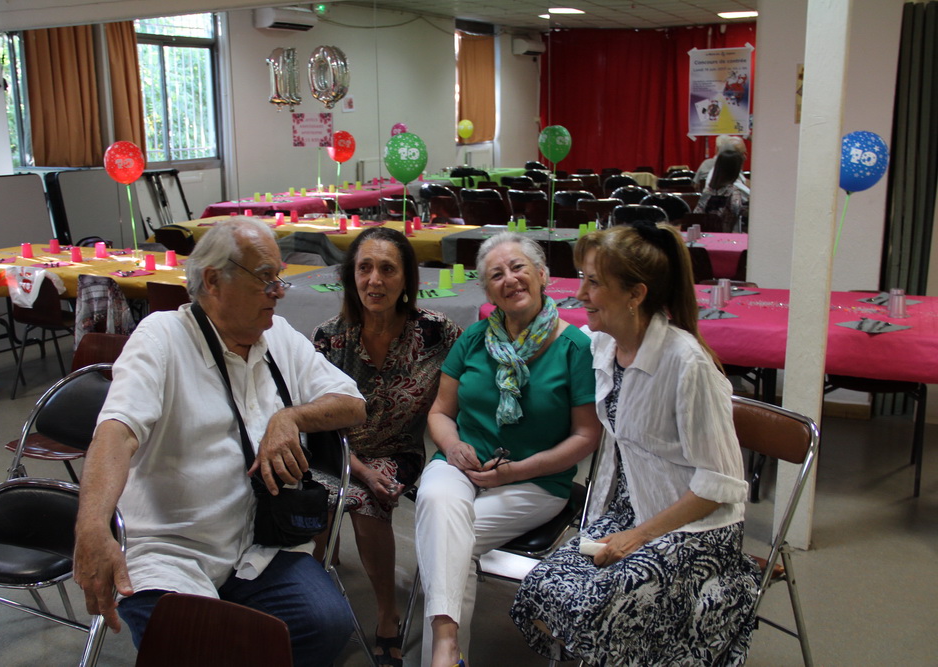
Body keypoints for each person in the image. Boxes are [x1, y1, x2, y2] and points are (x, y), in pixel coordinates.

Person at [73, 217, 367, 666]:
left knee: (326, 625)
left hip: (259, 545)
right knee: (195, 644)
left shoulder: (278, 336)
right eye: (265, 277)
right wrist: (93, 526)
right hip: (171, 553)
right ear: (212, 280)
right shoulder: (162, 337)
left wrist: (291, 416)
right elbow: (117, 432)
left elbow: (353, 403)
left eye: (279, 277)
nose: (279, 292)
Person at [511, 223, 760, 666]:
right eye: (583, 279)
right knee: (540, 589)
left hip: (696, 527)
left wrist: (638, 537)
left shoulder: (686, 364)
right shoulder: (606, 345)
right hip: (635, 508)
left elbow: (718, 485)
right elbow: (548, 338)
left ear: (635, 294)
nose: (580, 294)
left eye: (594, 282)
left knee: (604, 608)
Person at [416, 232, 601, 667]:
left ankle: (441, 654)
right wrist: (453, 445)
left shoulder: (575, 348)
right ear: (487, 291)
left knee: (445, 540)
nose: (510, 279)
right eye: (496, 275)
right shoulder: (473, 339)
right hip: (461, 465)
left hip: (535, 482)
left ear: (543, 275)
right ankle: (447, 652)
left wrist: (514, 472)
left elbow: (585, 437)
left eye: (518, 267)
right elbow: (440, 413)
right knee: (437, 502)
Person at [312, 227, 461, 666]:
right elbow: (313, 421)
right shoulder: (329, 337)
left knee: (365, 501)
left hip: (399, 450)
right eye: (364, 268)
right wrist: (358, 467)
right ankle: (317, 578)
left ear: (406, 279)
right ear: (351, 277)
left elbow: (466, 388)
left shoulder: (437, 333)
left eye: (387, 269)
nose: (374, 280)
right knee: (320, 493)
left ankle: (386, 613)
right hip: (336, 452)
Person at [694, 150, 749, 233]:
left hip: (707, 234)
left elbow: (696, 215)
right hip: (731, 236)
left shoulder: (707, 192)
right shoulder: (736, 192)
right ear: (735, 170)